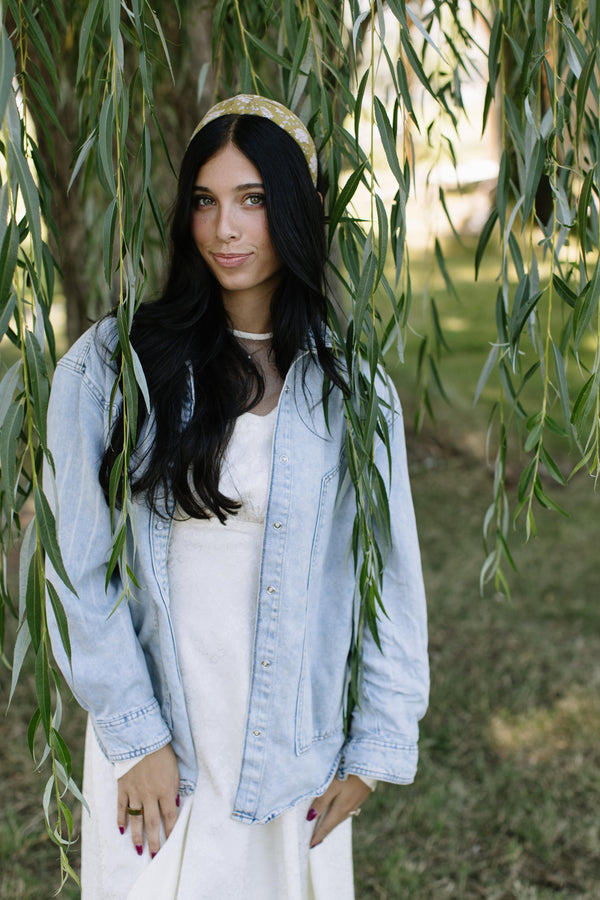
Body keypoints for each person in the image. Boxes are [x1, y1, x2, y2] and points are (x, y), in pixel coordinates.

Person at [45, 94, 429, 899]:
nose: (225, 229)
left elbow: (390, 578)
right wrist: (136, 735)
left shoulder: (352, 391)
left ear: (293, 211)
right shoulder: (112, 367)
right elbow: (76, 567)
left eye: (253, 201)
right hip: (160, 728)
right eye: (206, 201)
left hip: (293, 739)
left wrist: (373, 751)